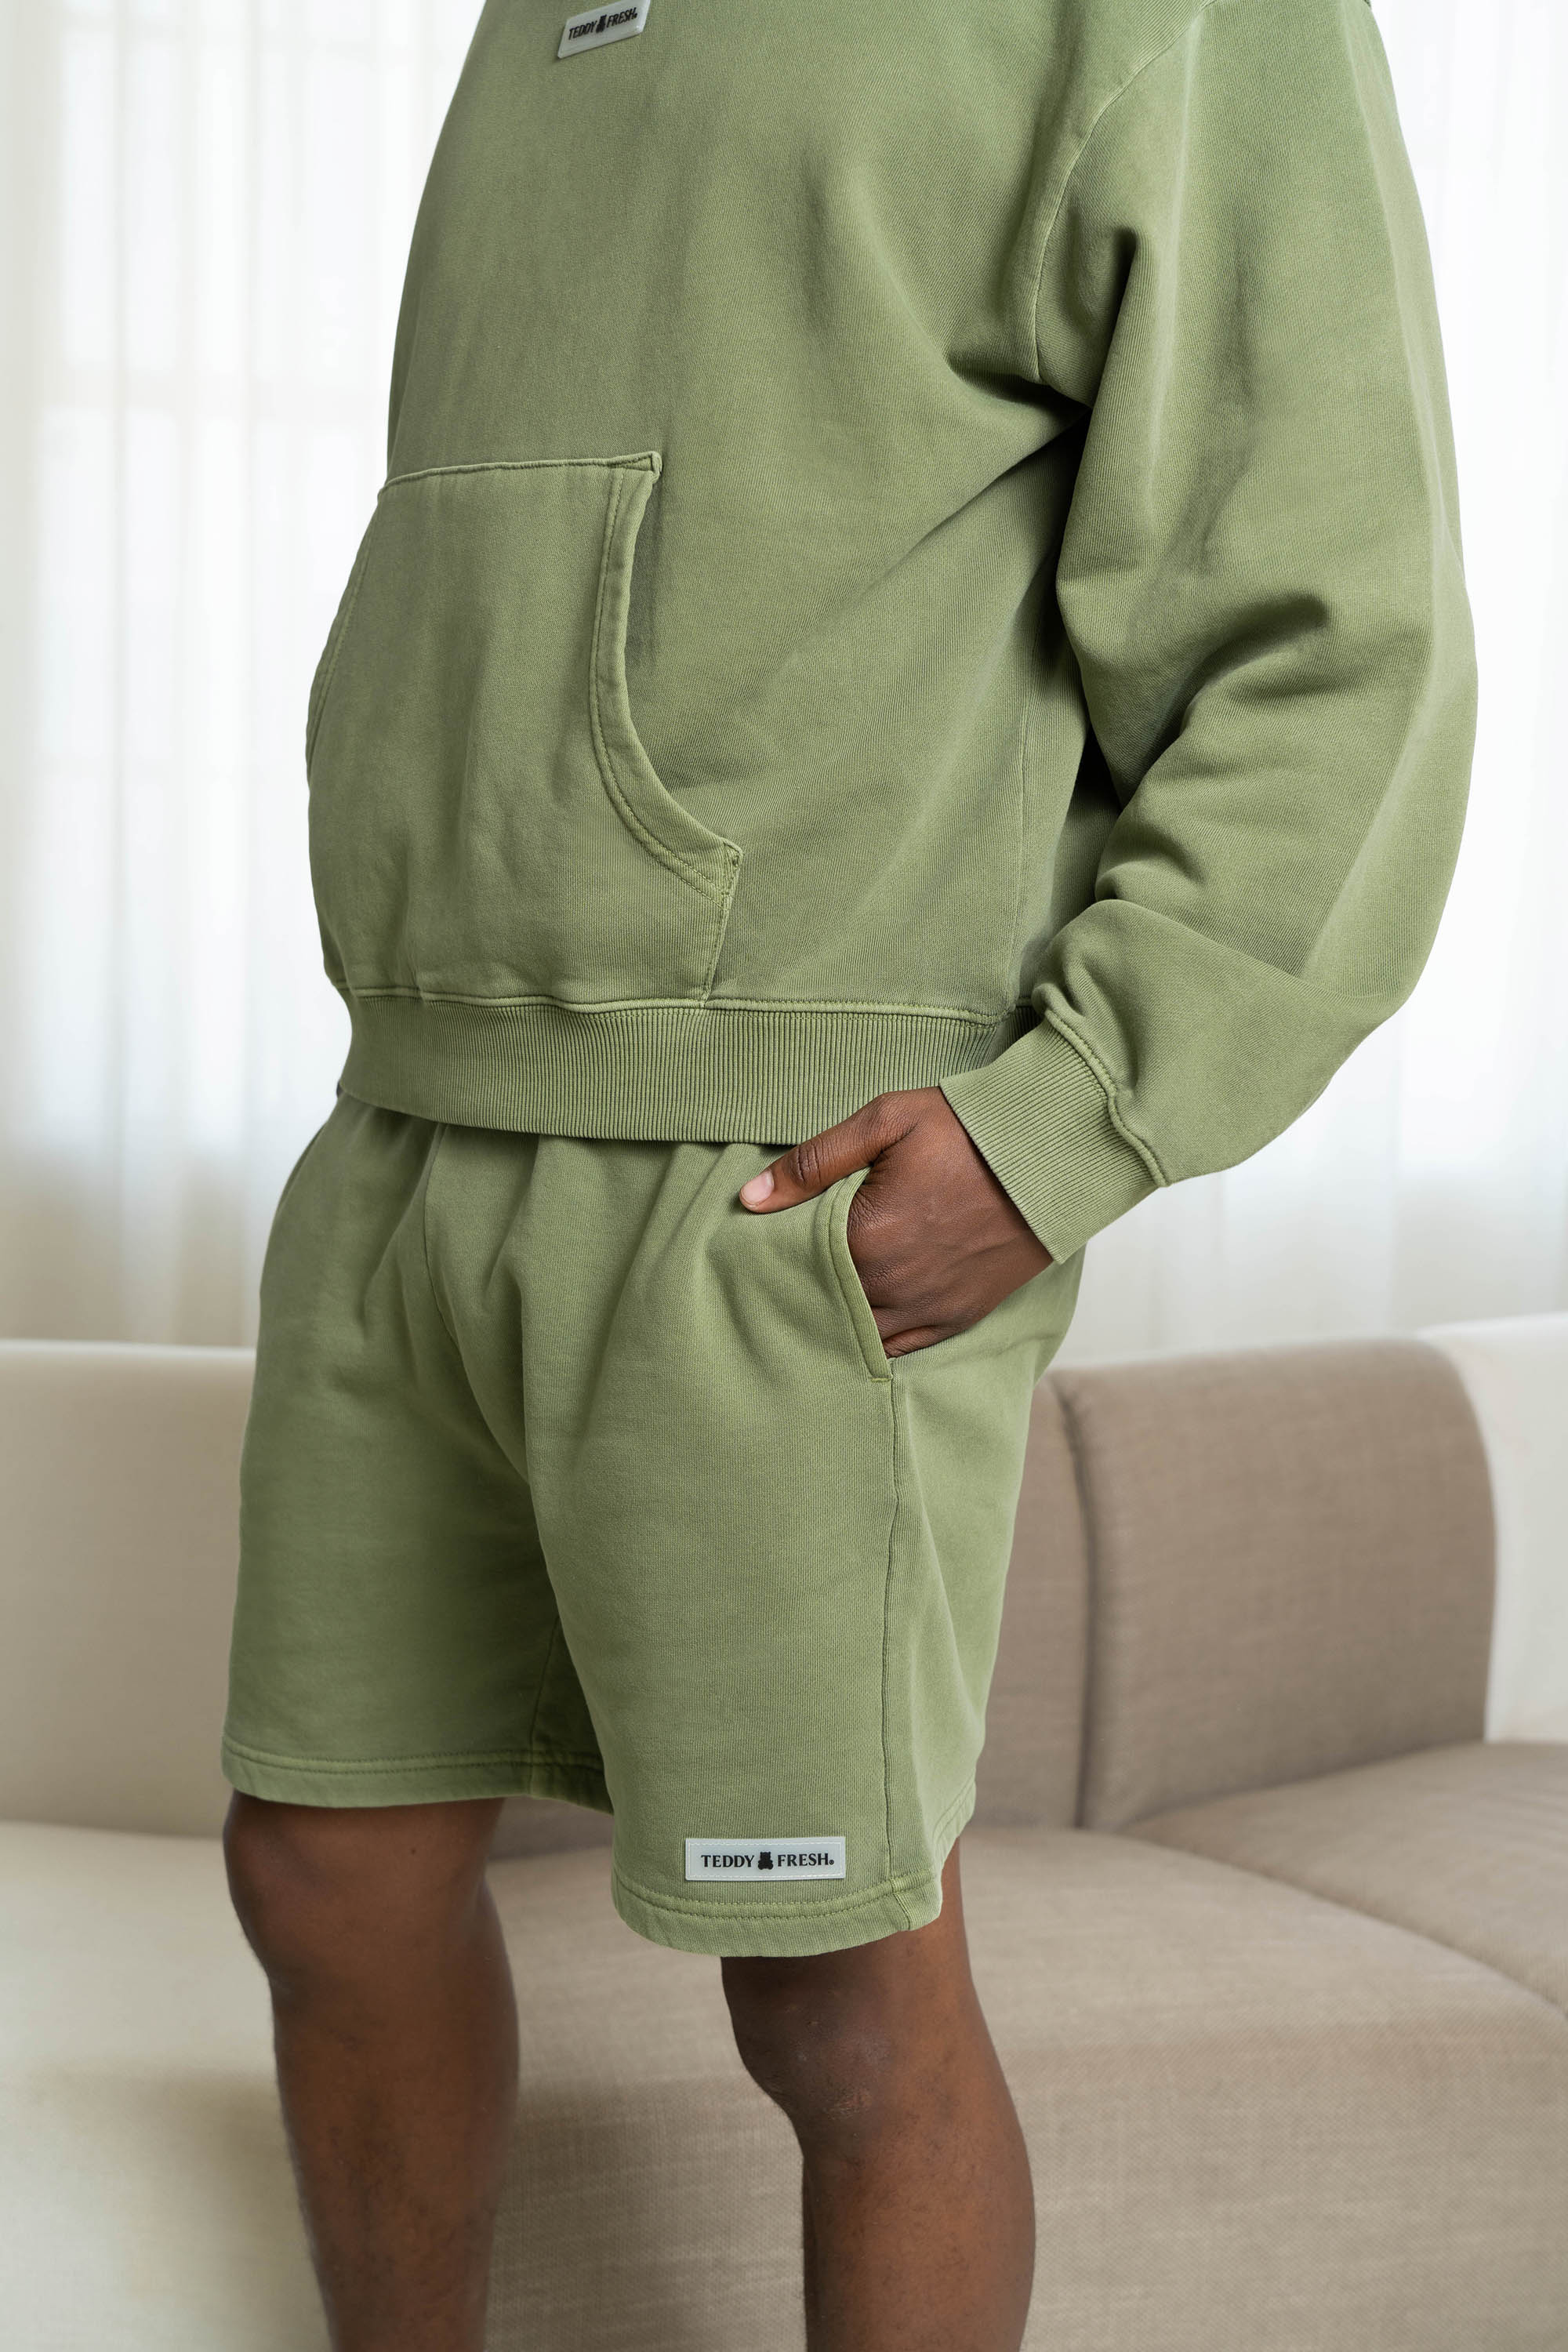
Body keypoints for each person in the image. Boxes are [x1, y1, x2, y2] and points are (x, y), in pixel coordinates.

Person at [218, 0, 1475, 2343]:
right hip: (416, 1115)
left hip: (772, 1181)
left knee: (836, 2000)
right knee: (322, 1872)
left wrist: (1059, 1128)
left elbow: (1339, 651)